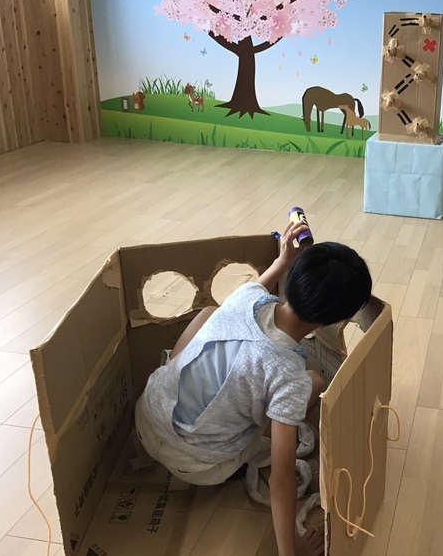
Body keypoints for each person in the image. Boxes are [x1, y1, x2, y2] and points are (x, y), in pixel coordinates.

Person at [135, 221, 372, 556]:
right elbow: (282, 478)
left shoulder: (247, 296)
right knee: (316, 381)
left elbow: (261, 285)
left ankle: (182, 375)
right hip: (196, 464)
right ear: (333, 319)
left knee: (211, 312)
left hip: (147, 414)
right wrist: (290, 552)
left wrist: (281, 261)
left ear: (294, 276)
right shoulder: (289, 377)